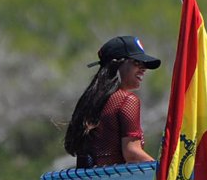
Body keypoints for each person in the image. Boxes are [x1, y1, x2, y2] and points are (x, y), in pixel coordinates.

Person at [64, 35, 161, 168]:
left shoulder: (91, 101)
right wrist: (164, 173)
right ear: (117, 64)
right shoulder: (127, 100)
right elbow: (132, 154)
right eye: (136, 62)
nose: (143, 69)